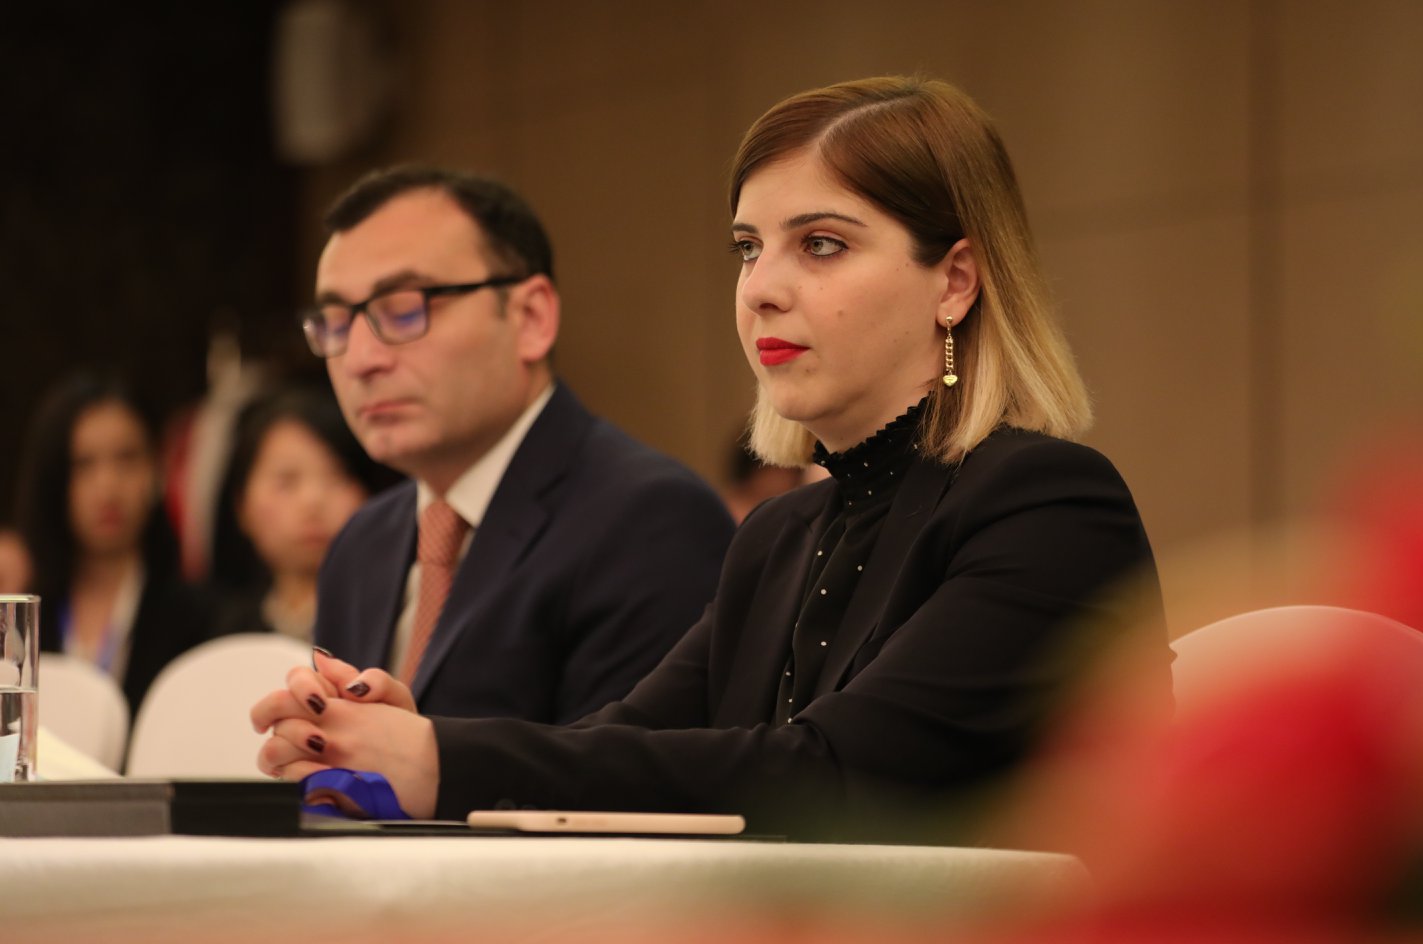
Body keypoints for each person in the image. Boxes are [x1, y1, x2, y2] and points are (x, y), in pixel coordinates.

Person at [254, 77, 1164, 837]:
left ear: (955, 282)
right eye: (747, 249)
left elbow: (836, 776)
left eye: (821, 245)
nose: (760, 288)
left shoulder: (1046, 504)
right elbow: (620, 748)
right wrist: (407, 743)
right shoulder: (777, 535)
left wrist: (440, 758)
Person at [299, 165, 734, 724]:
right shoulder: (361, 543)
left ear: (531, 317)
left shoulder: (651, 519)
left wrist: (417, 759)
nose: (360, 360)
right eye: (336, 323)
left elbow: (627, 772)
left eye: (404, 309)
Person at [17, 372, 211, 713]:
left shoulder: (199, 619)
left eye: (127, 458)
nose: (107, 486)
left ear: (156, 469)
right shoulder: (23, 616)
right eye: (83, 464)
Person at [208, 384, 397, 641]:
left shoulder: (395, 622)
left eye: (337, 476)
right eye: (286, 481)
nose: (312, 501)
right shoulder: (223, 637)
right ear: (242, 506)